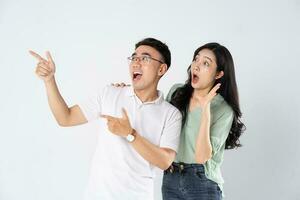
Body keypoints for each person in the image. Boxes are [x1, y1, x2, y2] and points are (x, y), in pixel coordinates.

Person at [29, 38, 182, 200]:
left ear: (161, 69)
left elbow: (165, 161)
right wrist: (49, 80)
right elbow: (65, 118)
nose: (136, 63)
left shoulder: (171, 114)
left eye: (145, 58)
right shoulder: (110, 93)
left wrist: (130, 134)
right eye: (134, 58)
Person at [161, 42, 245, 199]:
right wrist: (131, 92)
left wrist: (205, 109)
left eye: (205, 63)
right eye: (196, 59)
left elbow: (201, 157)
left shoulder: (223, 110)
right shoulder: (177, 93)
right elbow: (157, 129)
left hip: (202, 181)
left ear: (218, 74)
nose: (196, 66)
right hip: (170, 177)